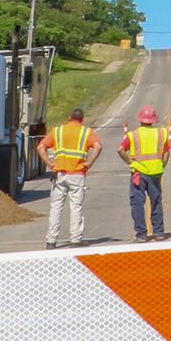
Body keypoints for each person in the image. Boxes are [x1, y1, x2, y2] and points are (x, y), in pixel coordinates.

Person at [42, 106, 99, 248]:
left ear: (69, 118)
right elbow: (98, 146)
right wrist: (89, 163)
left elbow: (40, 147)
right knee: (76, 207)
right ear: (82, 120)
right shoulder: (86, 132)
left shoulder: (58, 131)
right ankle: (75, 239)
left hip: (60, 174)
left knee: (56, 207)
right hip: (77, 174)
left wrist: (50, 164)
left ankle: (51, 240)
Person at [120, 105, 171, 241]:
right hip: (156, 173)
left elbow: (120, 149)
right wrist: (162, 166)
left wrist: (130, 162)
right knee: (156, 202)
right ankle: (159, 232)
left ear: (140, 119)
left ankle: (141, 234)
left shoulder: (133, 135)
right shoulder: (161, 133)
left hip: (138, 173)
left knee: (137, 203)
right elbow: (167, 152)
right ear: (153, 120)